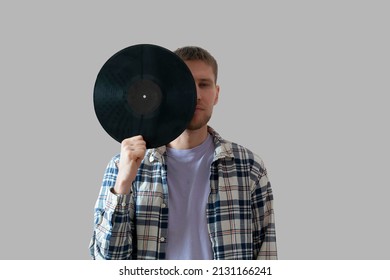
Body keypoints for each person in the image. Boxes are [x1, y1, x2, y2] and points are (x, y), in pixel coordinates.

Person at [89, 46, 277, 260]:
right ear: (165, 93)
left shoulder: (249, 167)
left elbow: (267, 256)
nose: (196, 95)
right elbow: (106, 262)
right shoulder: (122, 165)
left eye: (204, 84)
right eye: (186, 84)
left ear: (216, 94)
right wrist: (123, 184)